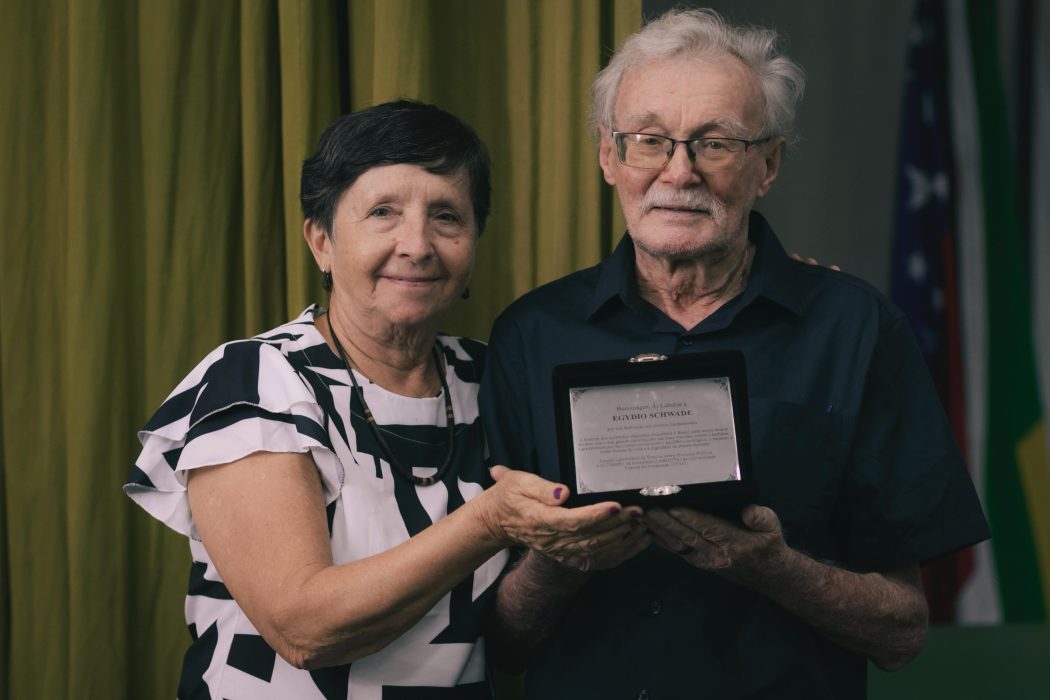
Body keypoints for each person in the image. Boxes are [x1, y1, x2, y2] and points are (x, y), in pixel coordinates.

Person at [479, 9, 990, 698]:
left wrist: (772, 567)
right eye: (649, 141)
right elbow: (502, 646)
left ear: (767, 164)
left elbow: (902, 635)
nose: (679, 172)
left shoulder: (856, 329)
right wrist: (561, 557)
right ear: (608, 155)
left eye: (715, 143)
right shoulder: (529, 335)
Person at [124, 100, 648, 699]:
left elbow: (512, 637)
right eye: (382, 213)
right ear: (321, 241)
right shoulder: (257, 380)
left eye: (447, 217)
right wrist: (490, 520)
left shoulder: (493, 376)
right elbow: (304, 631)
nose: (417, 245)